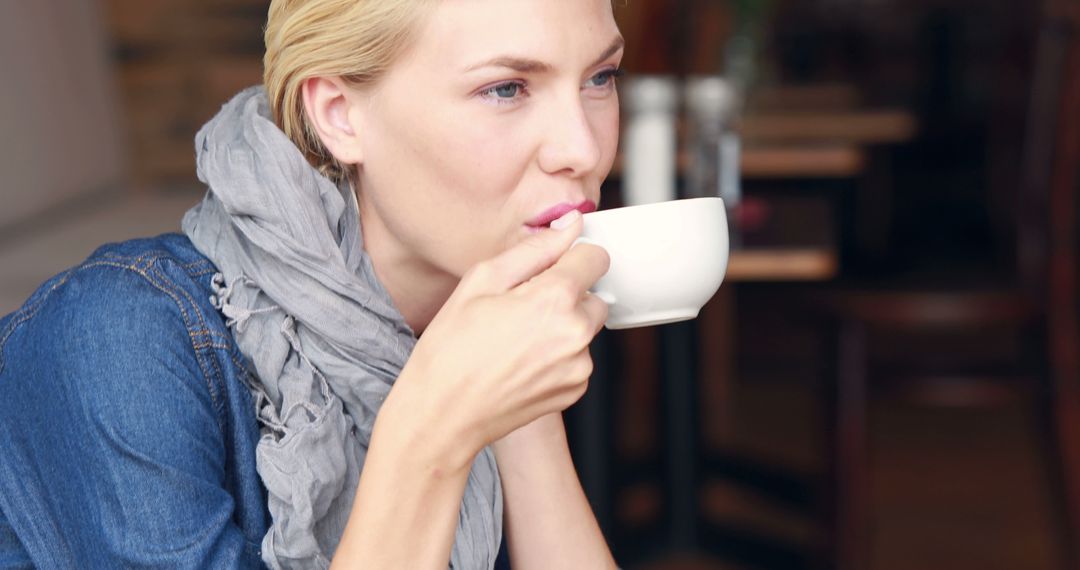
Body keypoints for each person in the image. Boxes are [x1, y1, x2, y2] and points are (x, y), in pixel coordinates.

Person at [0, 0, 624, 568]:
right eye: (506, 88)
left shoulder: (467, 327)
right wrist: (431, 433)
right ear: (339, 115)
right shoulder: (116, 341)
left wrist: (523, 417)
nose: (583, 148)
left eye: (600, 78)